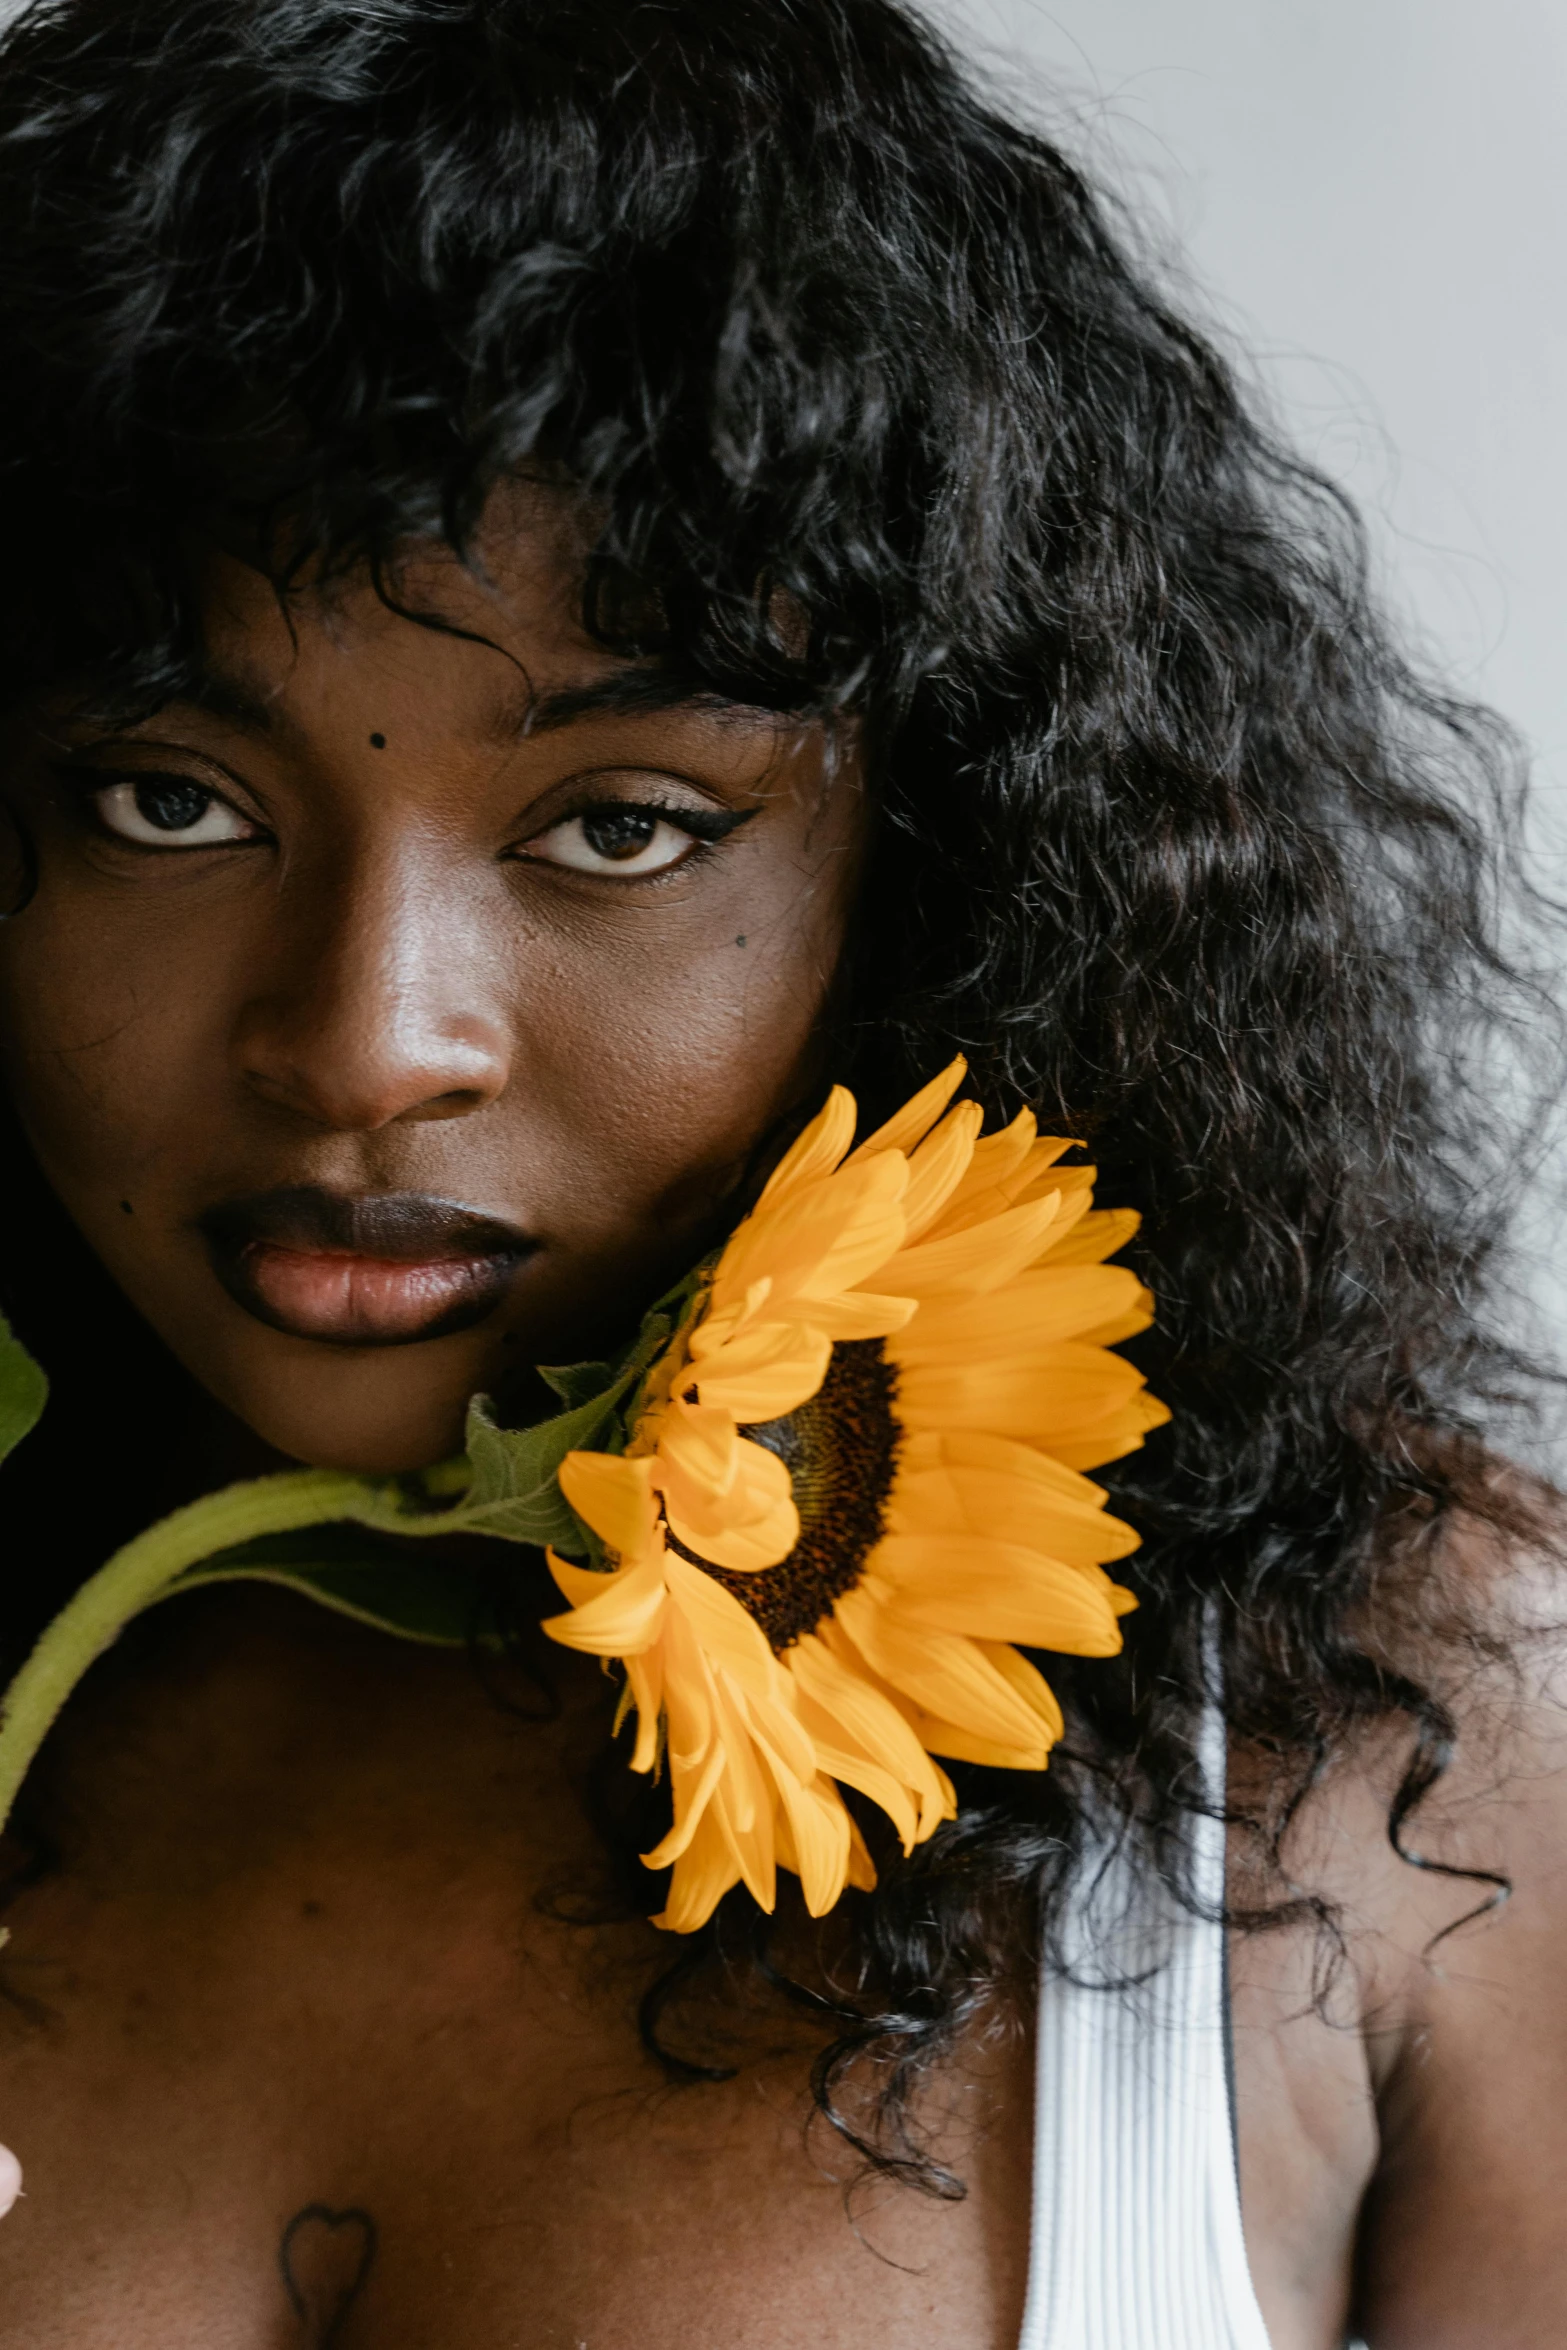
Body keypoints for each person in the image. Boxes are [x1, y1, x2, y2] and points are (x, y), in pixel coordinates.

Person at [0, 0, 1558, 2342]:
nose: (362, 1039)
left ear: (943, 859)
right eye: (165, 798)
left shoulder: (1388, 1729)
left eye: (621, 824)